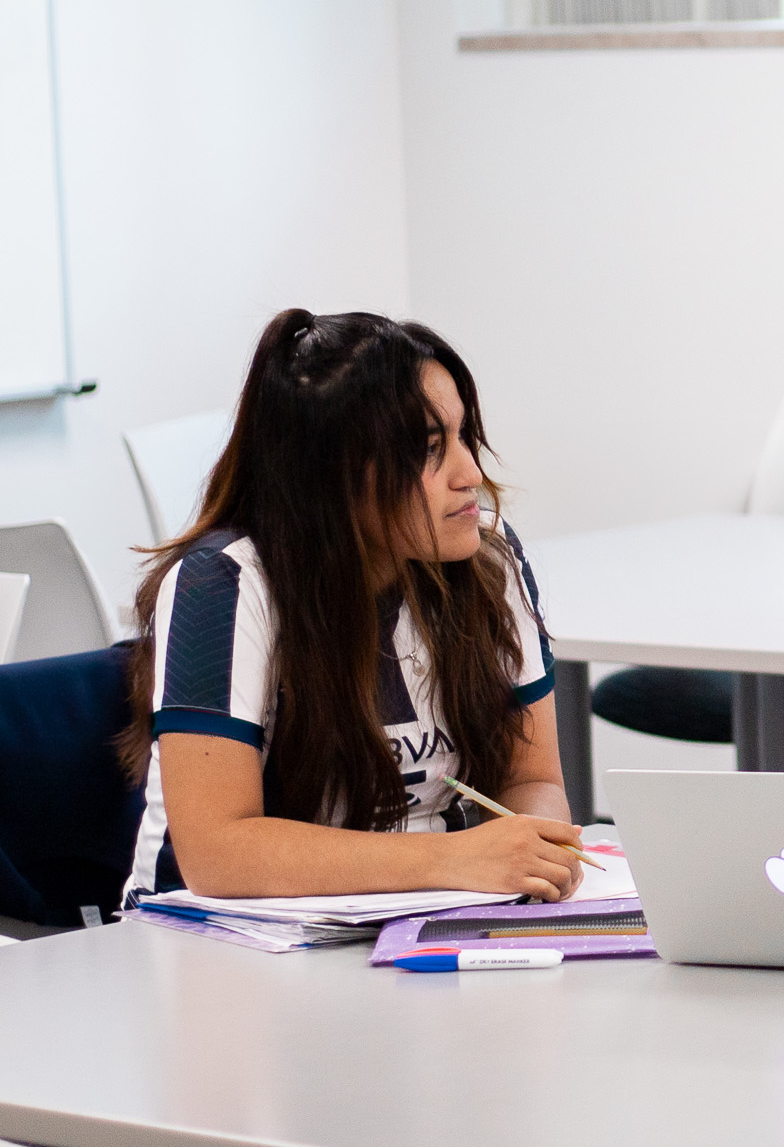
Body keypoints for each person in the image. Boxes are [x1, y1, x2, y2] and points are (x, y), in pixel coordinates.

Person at [119, 309, 586, 905]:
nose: (470, 473)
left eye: (464, 435)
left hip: (410, 919)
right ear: (333, 481)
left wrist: (535, 855)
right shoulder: (224, 583)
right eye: (428, 451)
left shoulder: (488, 560)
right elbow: (217, 852)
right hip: (220, 943)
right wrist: (455, 858)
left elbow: (531, 778)